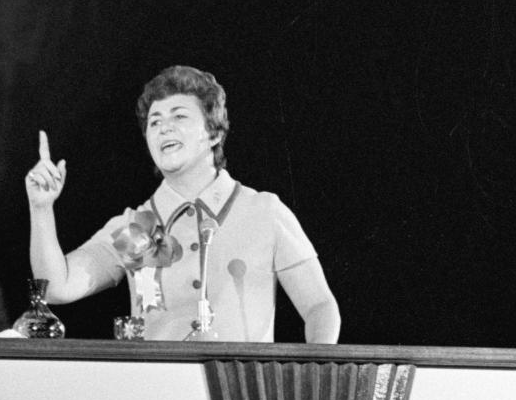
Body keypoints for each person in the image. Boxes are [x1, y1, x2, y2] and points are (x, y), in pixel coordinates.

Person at [25, 65, 340, 342]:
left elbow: (320, 308)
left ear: (213, 134)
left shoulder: (262, 211)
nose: (164, 127)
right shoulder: (135, 227)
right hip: (159, 398)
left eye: (179, 116)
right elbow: (57, 287)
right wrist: (41, 208)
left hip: (241, 399)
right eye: (155, 121)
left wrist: (315, 374)